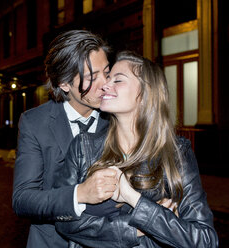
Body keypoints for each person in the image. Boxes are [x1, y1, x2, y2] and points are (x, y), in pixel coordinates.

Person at [54, 50, 219, 247]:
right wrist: (137, 228)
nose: (104, 85)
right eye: (108, 78)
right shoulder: (83, 146)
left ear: (145, 94)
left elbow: (205, 240)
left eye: (118, 80)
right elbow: (62, 219)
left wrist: (134, 199)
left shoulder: (175, 152)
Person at [12, 30, 120, 248]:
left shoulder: (120, 116)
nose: (105, 84)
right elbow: (23, 199)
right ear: (64, 83)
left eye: (106, 73)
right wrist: (80, 194)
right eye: (92, 77)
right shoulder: (35, 122)